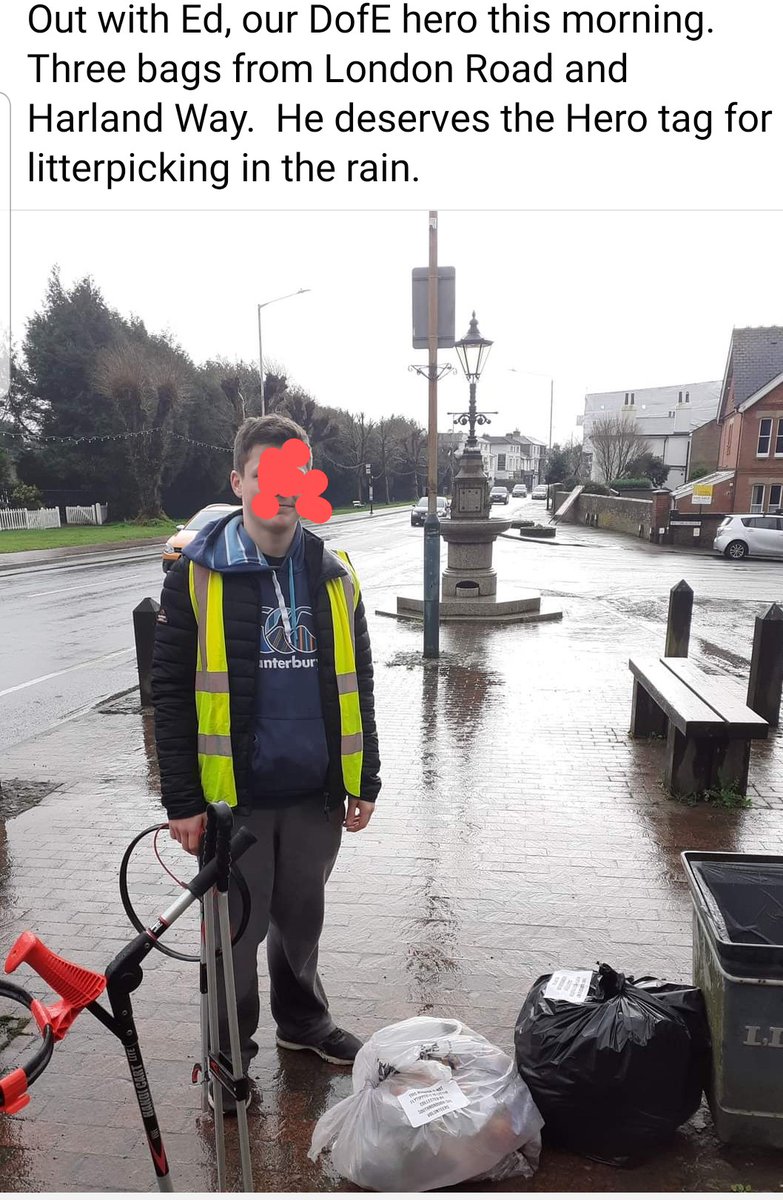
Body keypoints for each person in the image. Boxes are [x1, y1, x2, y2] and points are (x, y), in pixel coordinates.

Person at [151, 413, 381, 1108]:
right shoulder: (193, 577)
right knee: (232, 945)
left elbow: (358, 682)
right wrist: (183, 801)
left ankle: (303, 1024)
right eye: (266, 476)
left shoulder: (336, 574)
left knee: (300, 925)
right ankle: (227, 1062)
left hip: (312, 795)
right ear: (238, 482)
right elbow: (167, 695)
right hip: (233, 804)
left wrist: (363, 779)